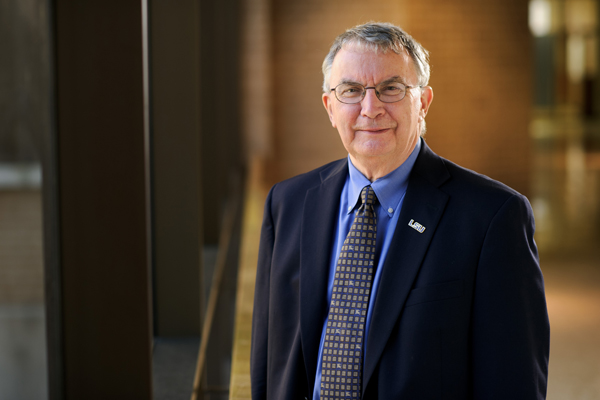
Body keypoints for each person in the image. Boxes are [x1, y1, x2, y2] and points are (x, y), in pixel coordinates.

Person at [251, 22, 550, 400]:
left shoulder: (492, 217)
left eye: (391, 88)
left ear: (422, 103)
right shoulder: (287, 203)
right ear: (330, 106)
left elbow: (513, 384)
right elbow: (266, 360)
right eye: (351, 91)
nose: (370, 108)